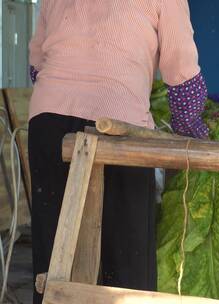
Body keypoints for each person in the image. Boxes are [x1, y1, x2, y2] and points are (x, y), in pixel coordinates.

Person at [28, 1, 207, 303]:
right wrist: (189, 127)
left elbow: (36, 63)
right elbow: (180, 65)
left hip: (49, 122)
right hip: (119, 123)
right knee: (127, 250)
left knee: (56, 247)